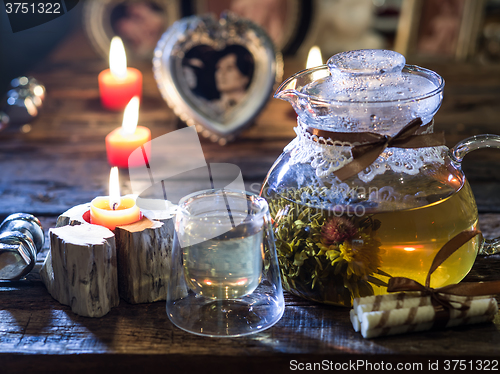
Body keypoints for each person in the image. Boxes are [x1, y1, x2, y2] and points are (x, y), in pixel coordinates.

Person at [212, 45, 254, 114]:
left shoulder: (255, 107)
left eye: (229, 68)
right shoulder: (206, 109)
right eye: (219, 68)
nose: (222, 74)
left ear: (245, 77)